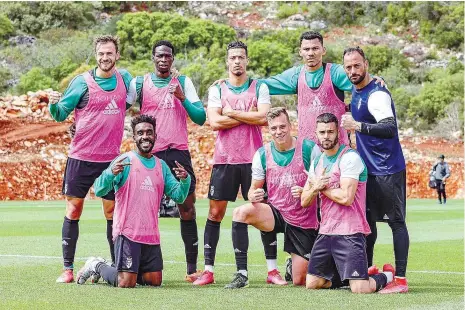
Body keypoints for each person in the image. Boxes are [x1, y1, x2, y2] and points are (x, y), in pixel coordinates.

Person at [48, 35, 133, 283]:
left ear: (117, 55)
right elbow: (61, 113)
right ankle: (67, 269)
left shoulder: (125, 79)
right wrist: (53, 105)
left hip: (110, 161)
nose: (105, 58)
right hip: (81, 158)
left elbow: (141, 92)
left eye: (109, 53)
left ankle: (115, 265)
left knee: (112, 212)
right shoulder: (81, 83)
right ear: (96, 55)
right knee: (74, 210)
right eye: (101, 54)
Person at [76, 114, 191, 288]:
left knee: (154, 282)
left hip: (151, 235)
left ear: (155, 136)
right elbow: (98, 189)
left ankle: (128, 269)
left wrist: (185, 180)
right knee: (126, 282)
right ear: (134, 137)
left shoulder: (161, 166)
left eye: (149, 132)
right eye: (140, 133)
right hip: (127, 233)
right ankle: (96, 265)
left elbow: (179, 196)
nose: (145, 136)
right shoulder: (125, 161)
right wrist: (110, 173)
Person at [126, 40, 206, 281]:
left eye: (168, 56)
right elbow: (120, 107)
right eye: (159, 56)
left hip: (178, 152)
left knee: (187, 209)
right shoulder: (139, 83)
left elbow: (201, 118)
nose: (163, 60)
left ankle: (191, 270)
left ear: (173, 59)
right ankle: (132, 265)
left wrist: (182, 98)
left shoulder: (183, 82)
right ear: (153, 58)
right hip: (150, 155)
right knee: (142, 209)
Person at [193, 41, 271, 286]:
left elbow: (263, 118)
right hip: (225, 159)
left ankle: (272, 271)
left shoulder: (260, 86)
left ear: (247, 60)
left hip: (254, 159)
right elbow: (214, 123)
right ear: (227, 61)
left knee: (262, 211)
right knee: (216, 213)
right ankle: (208, 270)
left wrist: (232, 113)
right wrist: (249, 115)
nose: (237, 61)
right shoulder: (217, 89)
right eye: (233, 57)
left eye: (241, 57)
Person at [224, 107, 321, 289]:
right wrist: (253, 194)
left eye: (282, 126)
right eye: (274, 128)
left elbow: (321, 184)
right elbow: (253, 189)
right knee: (240, 212)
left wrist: (307, 190)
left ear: (290, 125)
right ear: (269, 129)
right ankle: (241, 274)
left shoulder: (309, 149)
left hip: (303, 218)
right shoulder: (262, 154)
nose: (279, 132)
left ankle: (292, 265)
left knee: (300, 280)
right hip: (275, 212)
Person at [341, 47, 409, 294]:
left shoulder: (377, 94)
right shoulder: (355, 89)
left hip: (388, 169)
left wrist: (357, 126)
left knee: (396, 223)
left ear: (366, 64)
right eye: (348, 67)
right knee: (367, 221)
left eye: (357, 66)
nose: (353, 71)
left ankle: (400, 280)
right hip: (367, 170)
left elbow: (389, 127)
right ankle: (369, 269)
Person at [303, 113, 394, 294]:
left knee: (360, 289)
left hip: (350, 232)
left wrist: (320, 188)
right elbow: (304, 200)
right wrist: (314, 189)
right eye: (322, 132)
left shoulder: (349, 158)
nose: (326, 136)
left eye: (330, 131)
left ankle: (387, 275)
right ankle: (357, 275)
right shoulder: (317, 161)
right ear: (316, 134)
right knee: (312, 283)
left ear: (339, 133)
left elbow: (346, 197)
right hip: (326, 231)